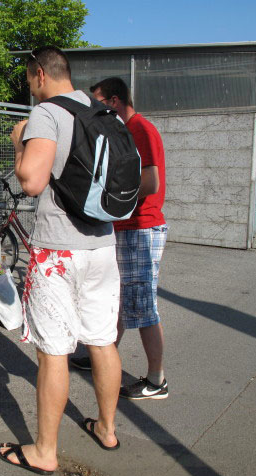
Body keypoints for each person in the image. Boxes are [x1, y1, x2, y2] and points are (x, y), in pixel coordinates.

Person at [0, 47, 121, 476]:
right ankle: (106, 428)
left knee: (53, 352)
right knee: (102, 340)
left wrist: (19, 142)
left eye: (29, 80)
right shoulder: (105, 113)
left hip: (58, 253)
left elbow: (31, 181)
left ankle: (44, 451)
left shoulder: (47, 112)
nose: (30, 87)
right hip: (103, 246)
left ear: (39, 74)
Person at [70, 77, 168, 400]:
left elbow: (151, 181)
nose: (96, 109)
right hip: (130, 227)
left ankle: (156, 380)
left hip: (142, 227)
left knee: (142, 305)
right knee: (124, 301)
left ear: (113, 101)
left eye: (98, 103)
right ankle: (103, 355)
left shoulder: (140, 130)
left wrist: (110, 196)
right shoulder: (127, 131)